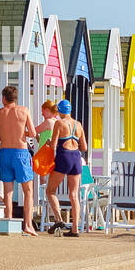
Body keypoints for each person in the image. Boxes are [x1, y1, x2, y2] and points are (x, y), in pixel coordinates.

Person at [0, 85, 38, 236]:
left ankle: (8, 220)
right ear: (15, 98)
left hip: (4, 152)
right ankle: (27, 224)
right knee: (28, 191)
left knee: (8, 191)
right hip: (21, 151)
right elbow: (32, 133)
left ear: (4, 98)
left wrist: (6, 134)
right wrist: (21, 132)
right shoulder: (23, 110)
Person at [45, 99, 88, 237]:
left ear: (60, 111)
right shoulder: (78, 124)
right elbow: (85, 147)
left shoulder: (59, 123)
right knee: (74, 194)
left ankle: (59, 219)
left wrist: (48, 142)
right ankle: (75, 229)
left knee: (50, 191)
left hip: (64, 157)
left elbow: (53, 145)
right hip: (76, 157)